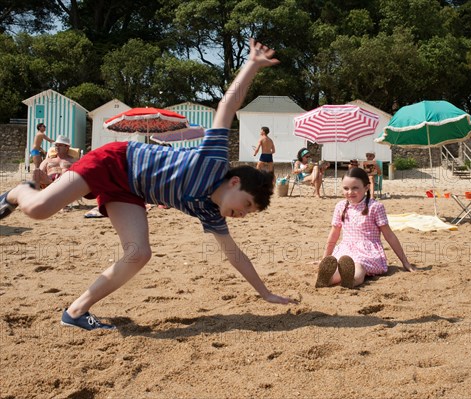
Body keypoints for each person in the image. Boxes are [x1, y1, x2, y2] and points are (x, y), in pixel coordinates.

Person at [0, 38, 296, 331]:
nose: (242, 214)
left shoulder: (210, 212)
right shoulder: (214, 160)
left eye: (249, 213)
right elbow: (227, 104)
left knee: (139, 253)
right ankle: (16, 192)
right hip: (115, 162)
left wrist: (265, 292)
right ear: (234, 182)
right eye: (246, 204)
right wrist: (251, 65)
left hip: (130, 191)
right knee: (39, 209)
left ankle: (76, 312)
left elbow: (234, 254)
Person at [315, 167, 415, 289]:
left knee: (359, 266)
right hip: (346, 249)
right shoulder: (340, 206)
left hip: (368, 251)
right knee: (338, 266)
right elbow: (334, 234)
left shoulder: (375, 207)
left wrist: (405, 262)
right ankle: (327, 280)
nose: (350, 192)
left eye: (355, 188)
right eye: (346, 188)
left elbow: (389, 235)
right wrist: (325, 258)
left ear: (366, 187)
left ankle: (351, 280)